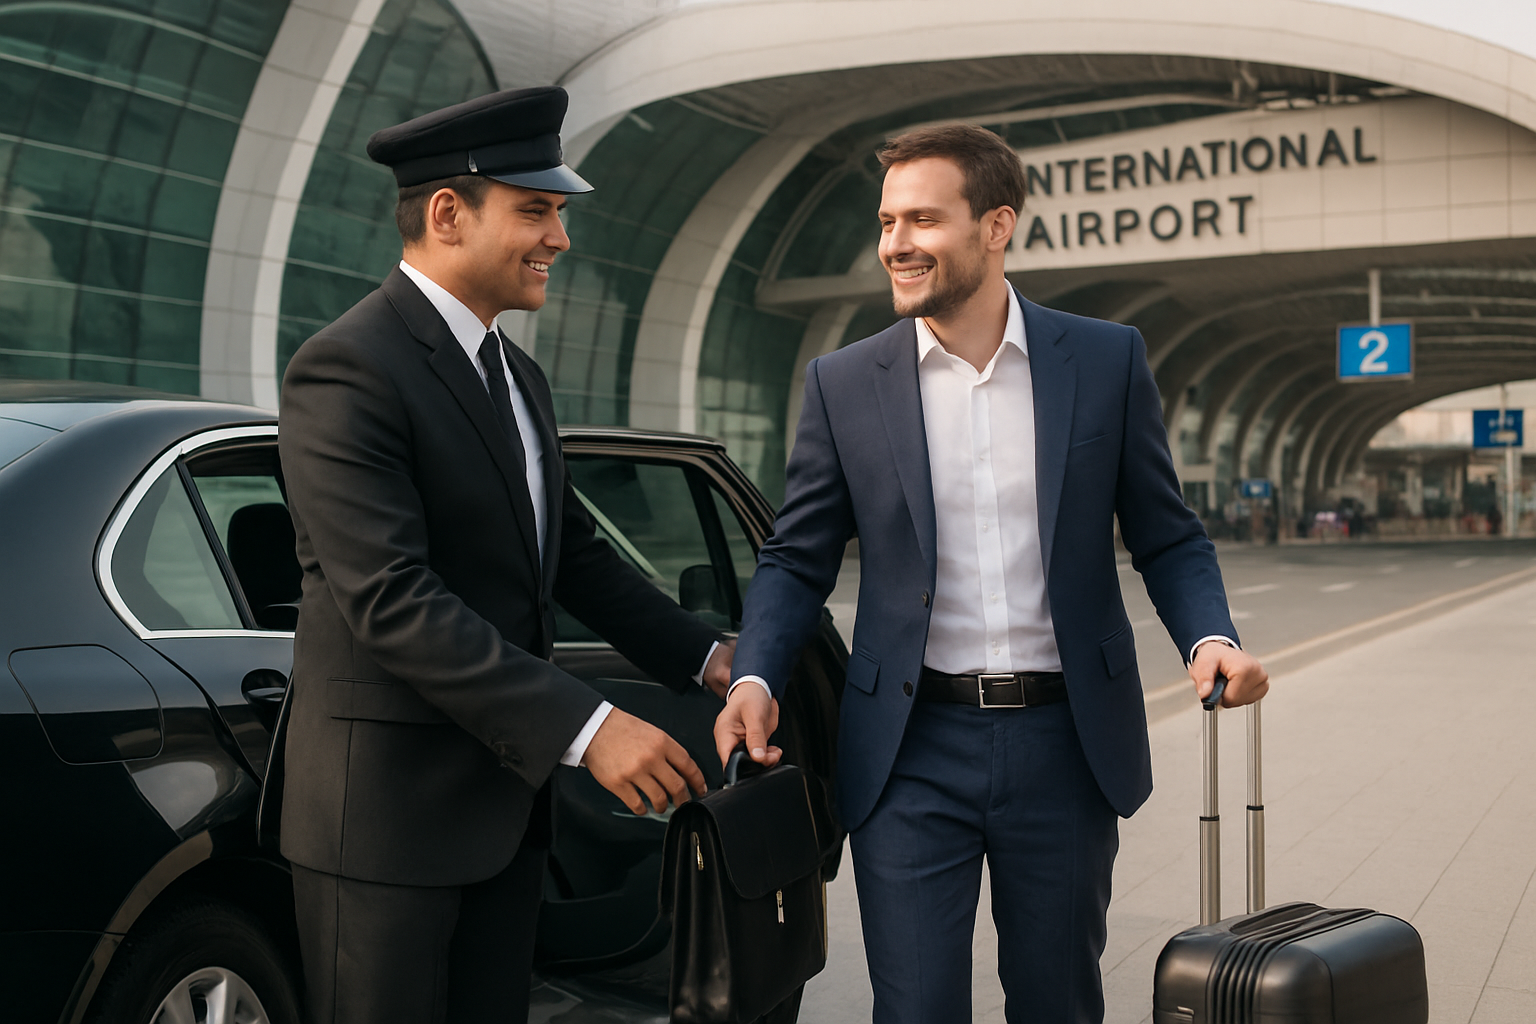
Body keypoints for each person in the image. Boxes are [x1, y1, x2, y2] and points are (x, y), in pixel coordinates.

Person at [714, 124, 1269, 1024]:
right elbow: (796, 553)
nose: (895, 243)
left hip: (1065, 744)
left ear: (996, 225)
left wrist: (1213, 639)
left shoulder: (1104, 359)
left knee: (1057, 1002)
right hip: (908, 751)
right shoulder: (844, 382)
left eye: (923, 219)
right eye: (887, 221)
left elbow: (1167, 536)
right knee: (917, 1007)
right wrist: (754, 673)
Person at [278, 86, 733, 1024]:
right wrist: (590, 726)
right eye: (536, 211)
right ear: (448, 213)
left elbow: (566, 557)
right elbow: (392, 598)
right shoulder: (347, 365)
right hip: (386, 831)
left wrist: (705, 656)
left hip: (504, 818)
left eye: (558, 215)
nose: (558, 240)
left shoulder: (515, 372)